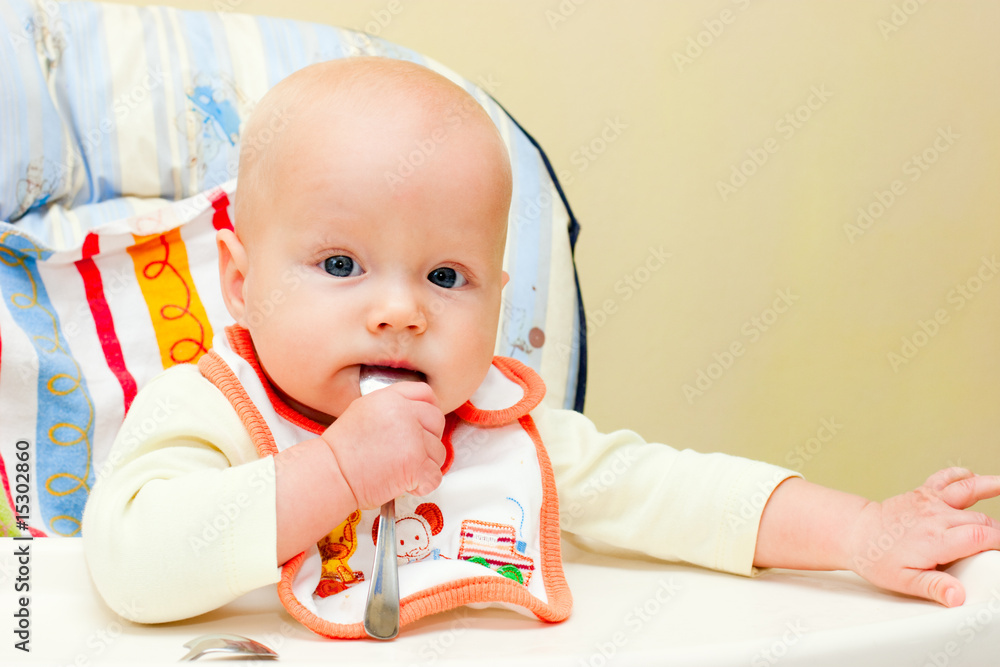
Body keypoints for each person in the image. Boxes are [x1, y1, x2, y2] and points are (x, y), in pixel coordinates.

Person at [83, 57, 1000, 629]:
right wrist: (338, 472)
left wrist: (862, 530)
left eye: (446, 278)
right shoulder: (209, 409)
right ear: (241, 282)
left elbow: (676, 493)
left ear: (498, 296)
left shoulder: (503, 431)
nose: (402, 311)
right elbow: (129, 564)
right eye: (340, 263)